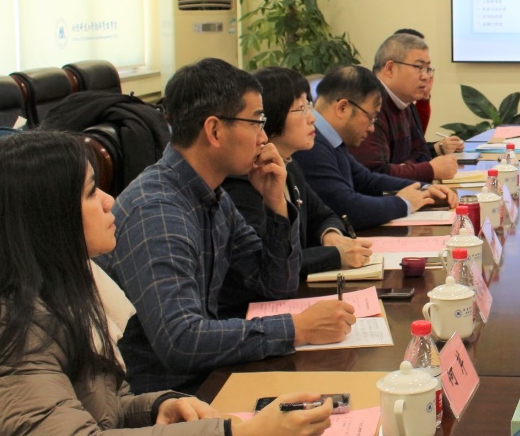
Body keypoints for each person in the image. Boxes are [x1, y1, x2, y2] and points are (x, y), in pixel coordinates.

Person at [0, 131, 333, 436]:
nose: (110, 201)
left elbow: (99, 412)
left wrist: (158, 407)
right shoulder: (5, 325)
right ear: (47, 217)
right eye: (91, 193)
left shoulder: (68, 286)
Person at [98, 58, 356, 393]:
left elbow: (276, 285)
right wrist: (297, 328)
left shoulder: (214, 195)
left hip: (208, 377)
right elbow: (181, 341)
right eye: (256, 122)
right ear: (215, 131)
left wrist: (275, 204)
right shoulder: (157, 209)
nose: (263, 138)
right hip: (166, 399)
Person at [220, 67, 373, 317]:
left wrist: (330, 235)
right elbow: (269, 264)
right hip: (251, 314)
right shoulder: (242, 182)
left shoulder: (289, 165)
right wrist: (335, 255)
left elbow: (324, 214)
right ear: (271, 117)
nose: (312, 118)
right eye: (301, 109)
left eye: (309, 106)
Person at [294, 65, 457, 230]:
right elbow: (349, 209)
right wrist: (404, 202)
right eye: (370, 117)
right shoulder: (310, 146)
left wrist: (425, 189)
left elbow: (368, 180)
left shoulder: (330, 139)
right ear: (342, 108)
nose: (372, 128)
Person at [350, 32, 464, 182]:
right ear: (390, 69)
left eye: (427, 69)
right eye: (419, 67)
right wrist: (428, 170)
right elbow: (374, 173)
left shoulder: (404, 102)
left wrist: (404, 168)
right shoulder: (368, 102)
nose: (426, 76)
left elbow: (422, 152)